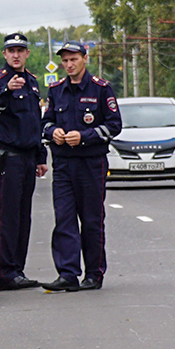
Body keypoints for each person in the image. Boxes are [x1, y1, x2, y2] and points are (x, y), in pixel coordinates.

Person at [41, 41, 122, 291]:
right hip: (64, 164)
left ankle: (94, 274)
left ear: (84, 59)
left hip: (91, 163)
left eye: (73, 59)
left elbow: (114, 125)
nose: (69, 64)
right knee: (64, 219)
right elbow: (45, 122)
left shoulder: (101, 89)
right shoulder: (56, 90)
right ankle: (68, 274)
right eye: (65, 60)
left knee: (91, 220)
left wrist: (84, 136)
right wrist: (53, 132)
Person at [0, 32, 48, 291]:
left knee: (23, 217)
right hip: (8, 159)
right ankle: (6, 273)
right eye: (12, 51)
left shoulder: (32, 81)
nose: (17, 55)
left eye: (21, 50)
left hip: (28, 158)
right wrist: (5, 92)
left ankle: (18, 269)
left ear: (27, 53)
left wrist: (41, 156)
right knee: (8, 217)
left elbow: (35, 122)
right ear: (5, 54)